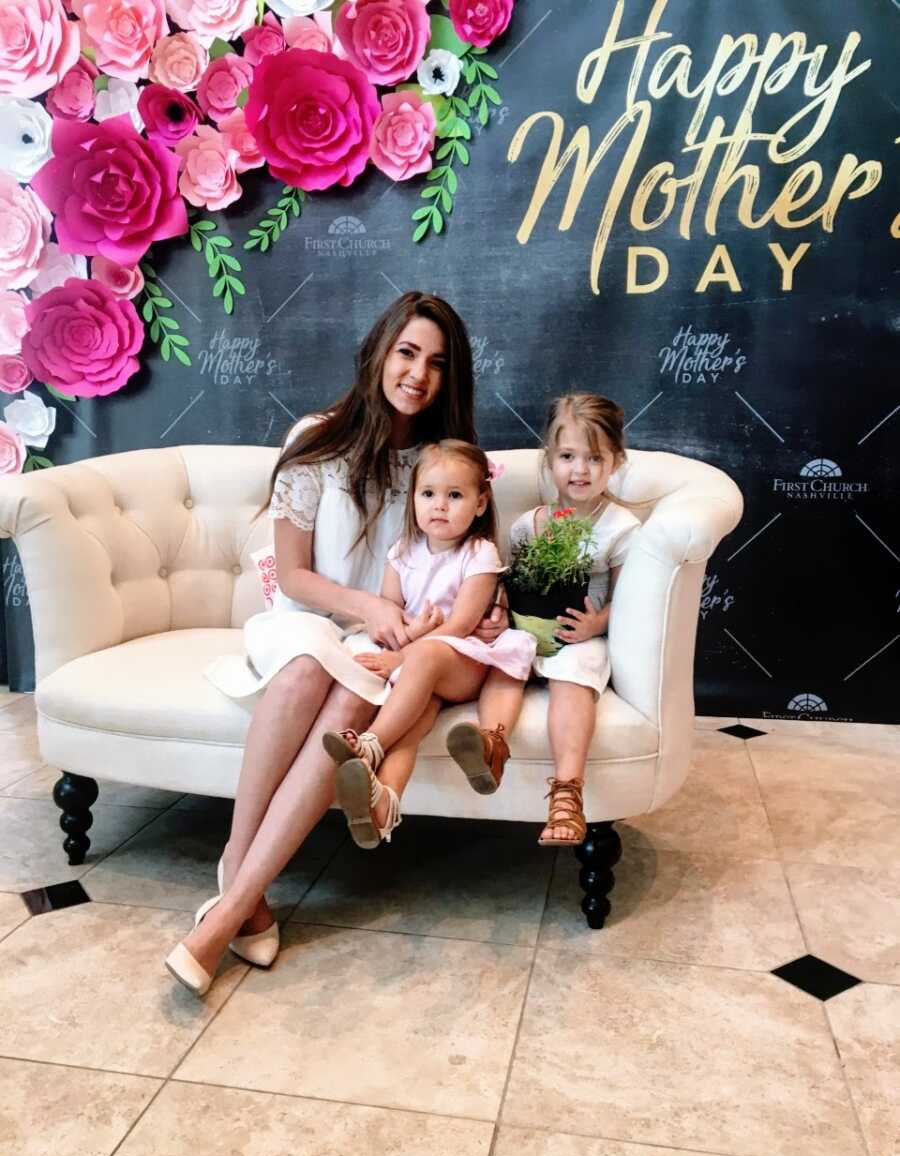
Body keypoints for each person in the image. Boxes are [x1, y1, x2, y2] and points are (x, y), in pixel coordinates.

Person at [164, 292, 503, 997]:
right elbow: (292, 575)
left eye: (438, 363)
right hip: (307, 619)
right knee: (299, 679)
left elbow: (472, 561)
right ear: (379, 351)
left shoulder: (449, 465)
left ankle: (227, 913)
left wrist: (489, 609)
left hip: (390, 645)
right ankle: (241, 881)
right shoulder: (317, 440)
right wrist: (368, 604)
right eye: (407, 352)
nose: (418, 374)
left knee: (351, 696)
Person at [445, 393, 641, 847]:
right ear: (549, 459)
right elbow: (509, 589)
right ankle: (491, 746)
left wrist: (598, 625)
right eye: (568, 456)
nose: (580, 470)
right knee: (504, 659)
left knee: (574, 674)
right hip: (527, 632)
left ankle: (567, 796)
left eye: (595, 458)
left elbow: (630, 600)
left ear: (616, 461)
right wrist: (497, 618)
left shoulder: (620, 527)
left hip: (578, 637)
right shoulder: (528, 526)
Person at [320, 440, 536, 849]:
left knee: (428, 656)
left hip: (463, 663)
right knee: (413, 726)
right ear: (414, 498)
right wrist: (409, 636)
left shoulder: (479, 553)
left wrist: (407, 650)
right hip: (420, 668)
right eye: (429, 494)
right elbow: (391, 613)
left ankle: (370, 744)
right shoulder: (401, 552)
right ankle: (384, 804)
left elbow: (460, 625)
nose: (439, 505)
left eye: (454, 495)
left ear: (480, 503)